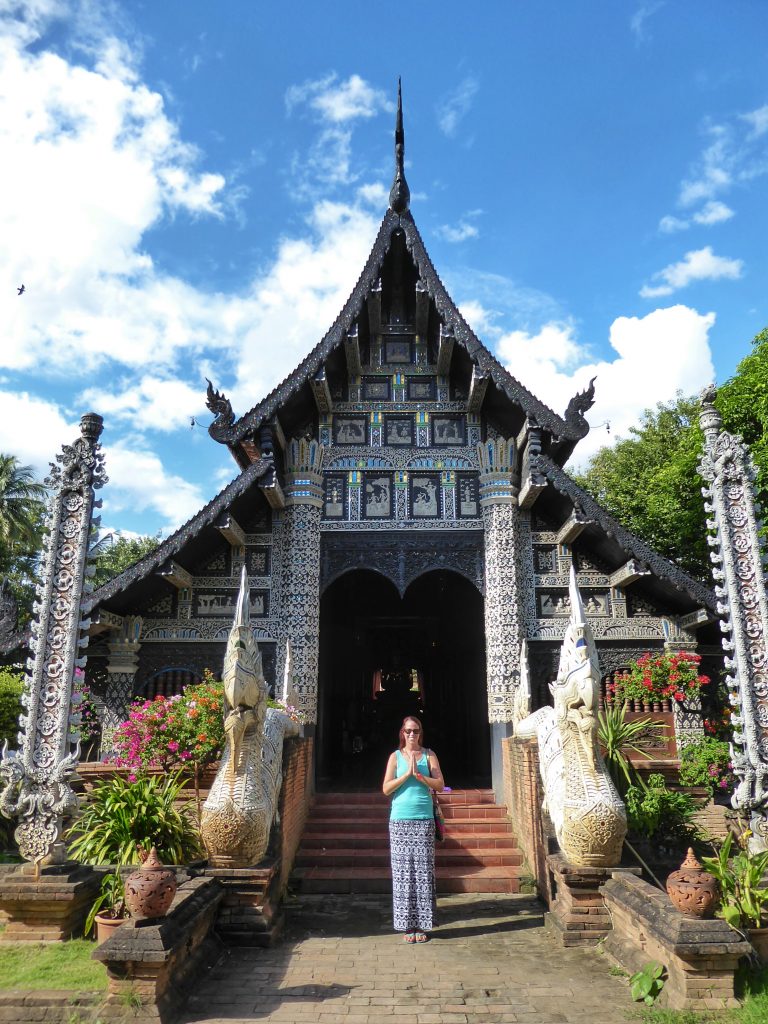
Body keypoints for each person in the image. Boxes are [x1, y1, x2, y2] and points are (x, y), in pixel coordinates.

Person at [382, 715, 444, 942]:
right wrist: (406, 775)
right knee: (402, 874)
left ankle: (423, 925)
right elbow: (386, 789)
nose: (411, 734)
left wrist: (421, 776)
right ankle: (407, 926)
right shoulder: (395, 757)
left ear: (420, 733)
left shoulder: (429, 755)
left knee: (423, 872)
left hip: (423, 818)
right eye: (408, 730)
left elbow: (441, 784)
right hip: (400, 820)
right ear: (402, 732)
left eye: (415, 730)